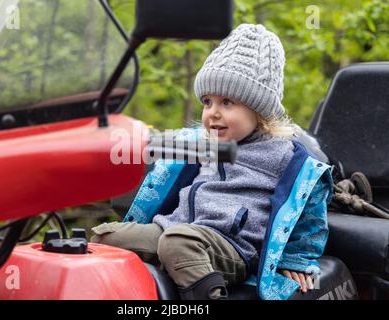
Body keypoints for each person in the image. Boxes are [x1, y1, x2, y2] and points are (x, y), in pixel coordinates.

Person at [90, 24, 333, 300]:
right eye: (207, 102)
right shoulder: (200, 142)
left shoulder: (284, 155)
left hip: (231, 247)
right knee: (105, 238)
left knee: (179, 243)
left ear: (259, 109)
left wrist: (296, 259)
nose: (212, 113)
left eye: (227, 102)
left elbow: (309, 209)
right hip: (173, 229)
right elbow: (151, 145)